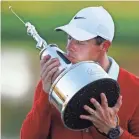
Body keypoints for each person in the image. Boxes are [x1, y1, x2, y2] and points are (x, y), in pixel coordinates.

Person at [20, 6, 139, 139]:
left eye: (80, 42)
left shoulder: (135, 88)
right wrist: (46, 94)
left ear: (104, 46)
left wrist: (113, 130)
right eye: (69, 38)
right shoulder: (51, 82)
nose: (69, 47)